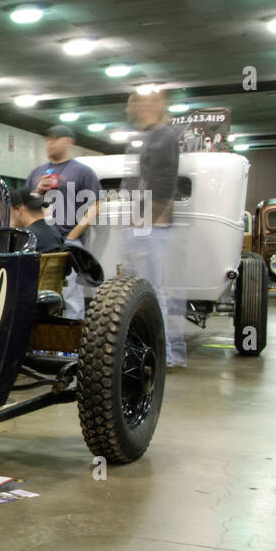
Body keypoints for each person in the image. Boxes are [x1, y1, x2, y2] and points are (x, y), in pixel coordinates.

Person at [124, 90, 184, 367]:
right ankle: (161, 352)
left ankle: (164, 354)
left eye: (138, 102)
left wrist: (146, 219)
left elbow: (163, 182)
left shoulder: (162, 137)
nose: (133, 107)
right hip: (147, 225)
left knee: (151, 290)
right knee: (148, 289)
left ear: (155, 104)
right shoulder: (151, 137)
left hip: (151, 227)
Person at [27, 125, 101, 242]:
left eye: (55, 139)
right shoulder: (36, 172)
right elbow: (24, 206)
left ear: (69, 142)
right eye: (48, 140)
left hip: (67, 239)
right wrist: (37, 191)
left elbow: (96, 206)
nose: (50, 143)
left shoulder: (82, 172)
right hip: (39, 239)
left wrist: (72, 237)